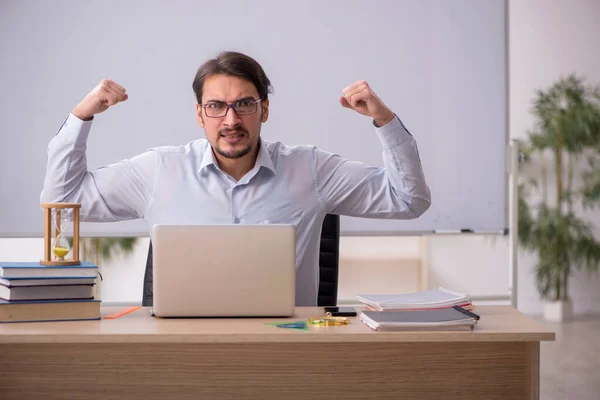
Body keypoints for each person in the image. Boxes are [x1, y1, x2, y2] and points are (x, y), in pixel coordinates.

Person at [41, 51, 431, 306]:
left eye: (244, 105)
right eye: (216, 106)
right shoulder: (161, 170)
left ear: (264, 111)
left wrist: (384, 121)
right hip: (181, 352)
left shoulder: (310, 169)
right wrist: (81, 116)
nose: (231, 120)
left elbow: (408, 200)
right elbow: (62, 201)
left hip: (288, 350)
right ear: (199, 115)